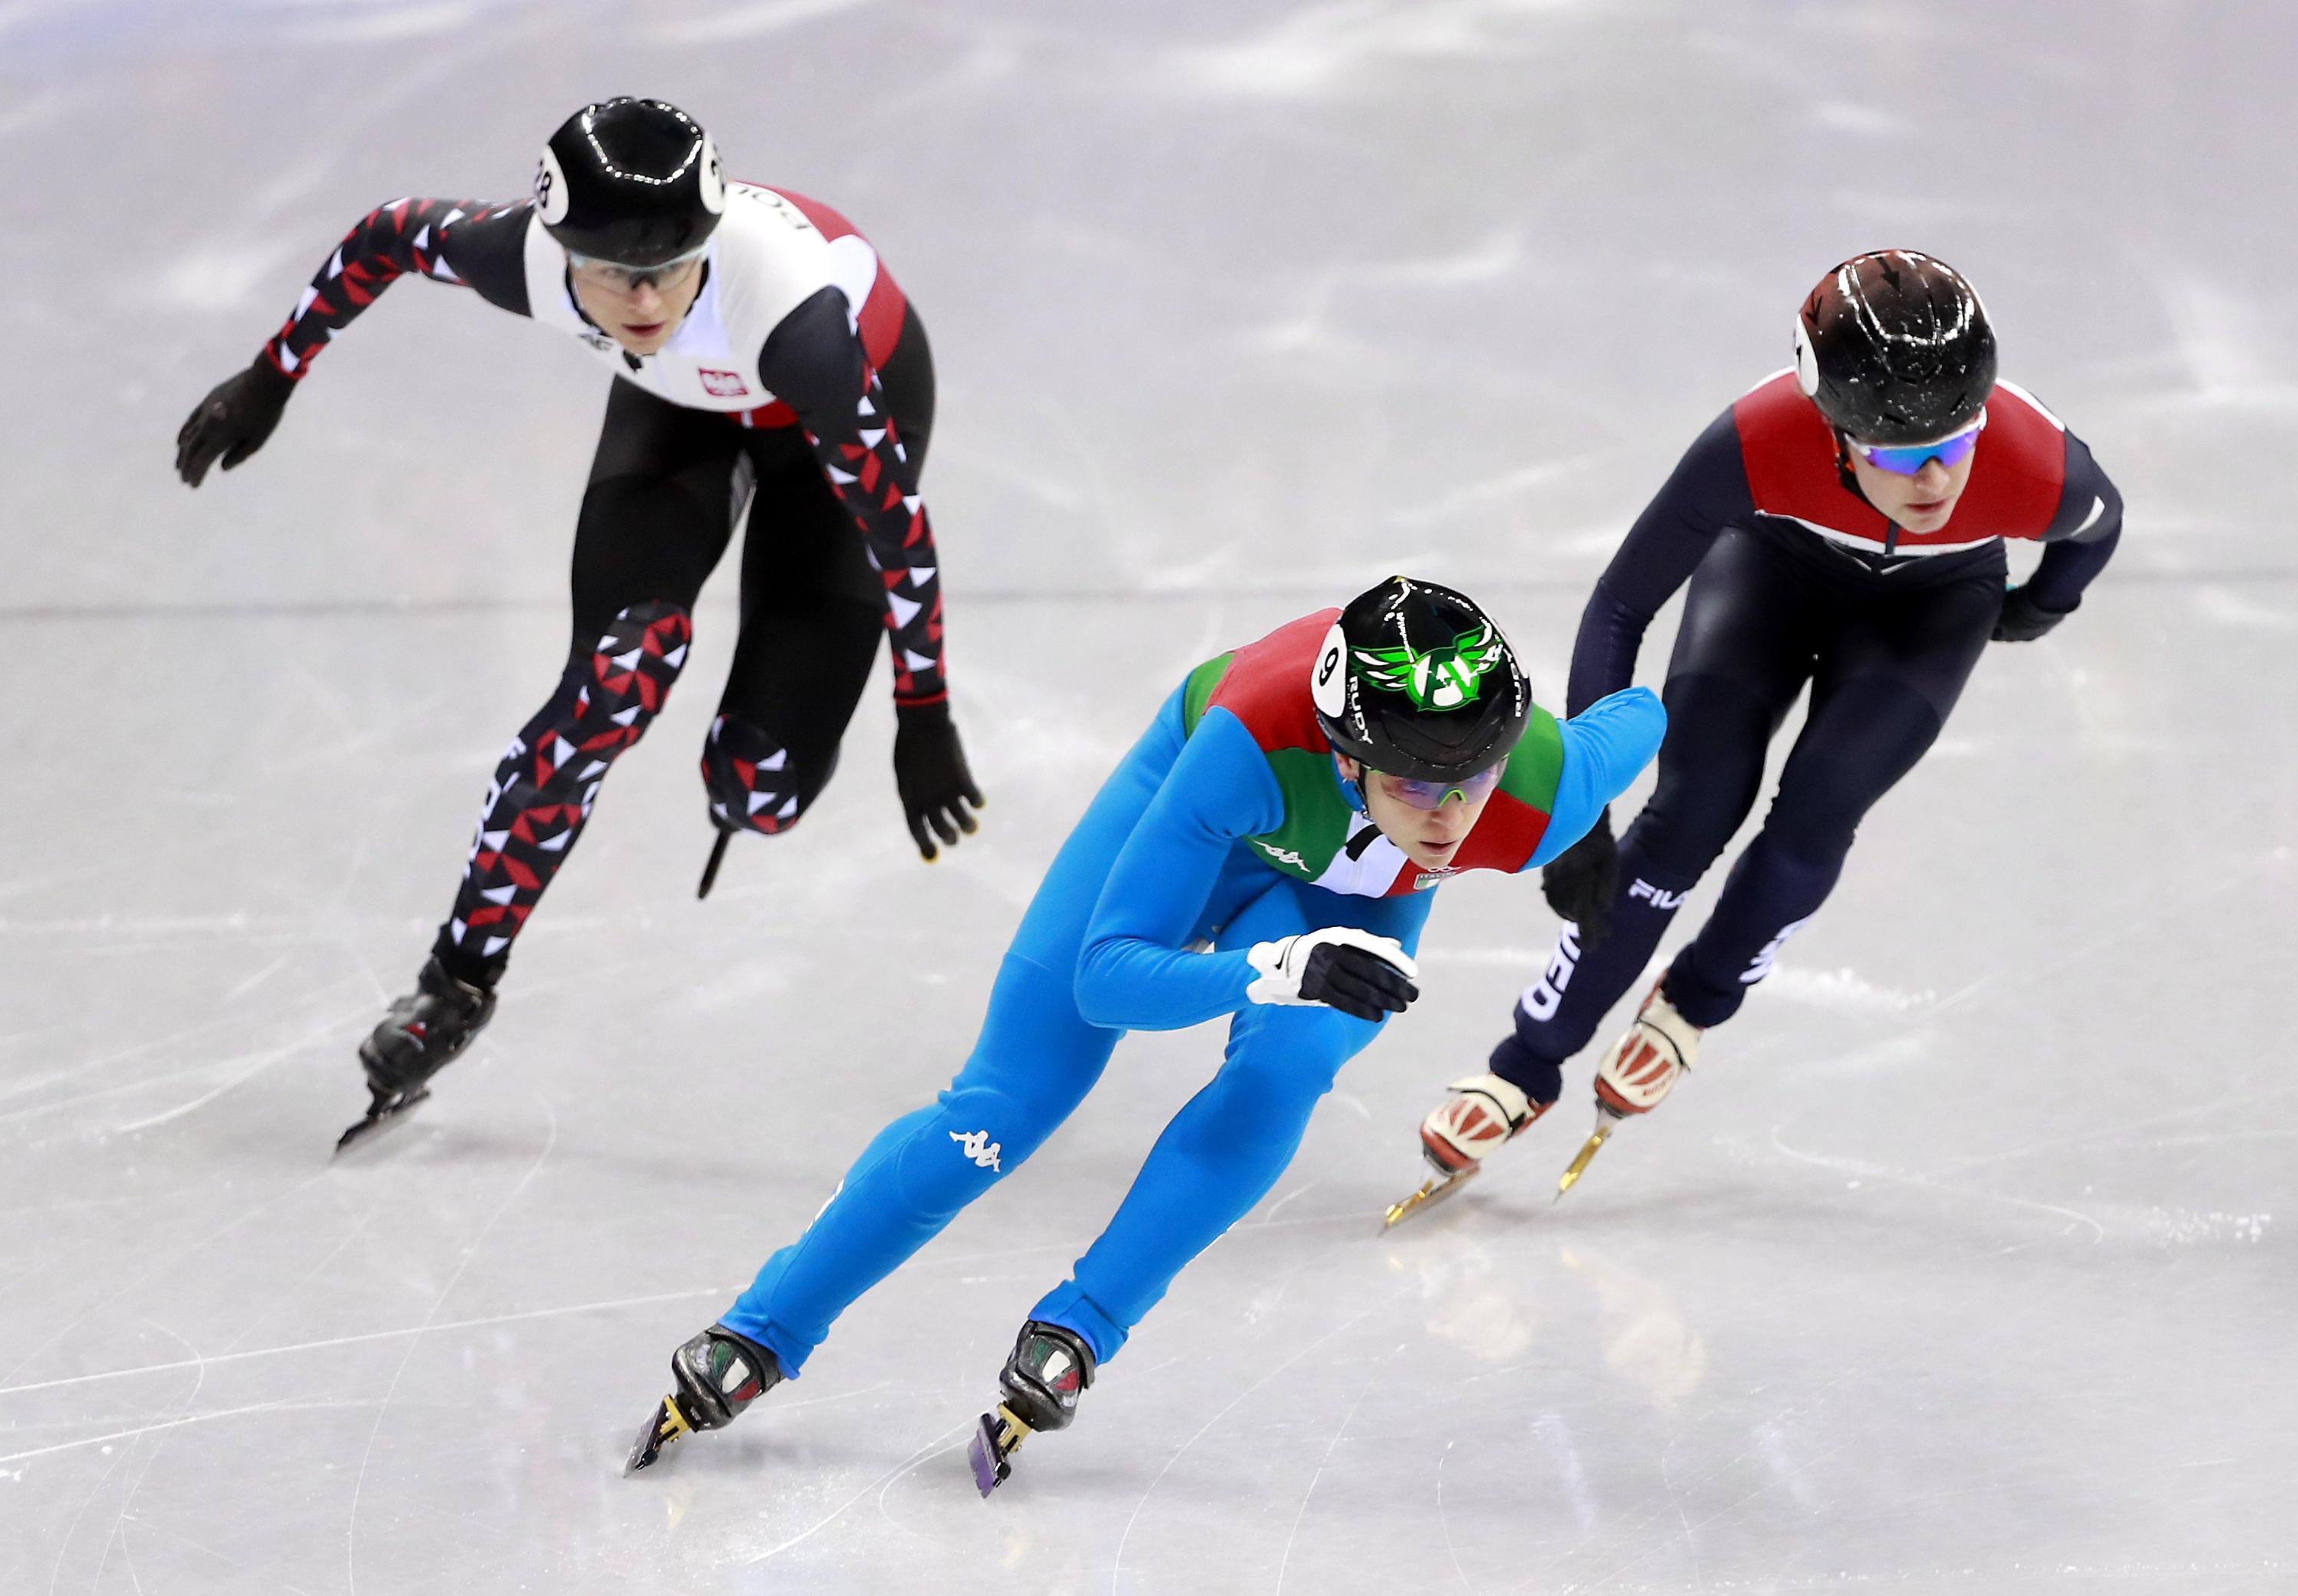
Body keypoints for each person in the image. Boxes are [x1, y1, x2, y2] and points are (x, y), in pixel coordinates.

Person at [621, 576, 1665, 1490]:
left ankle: (1082, 1324)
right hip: (1203, 832)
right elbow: (1105, 980)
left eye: (1469, 782)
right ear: (1348, 758)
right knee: (1000, 1111)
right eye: (1412, 785)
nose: (1448, 817)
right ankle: (759, 1329)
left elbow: (1646, 712)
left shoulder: (1539, 788)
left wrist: (1592, 829)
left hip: (1342, 894)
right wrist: (1268, 964)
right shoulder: (1247, 740)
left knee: (1284, 1068)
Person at [173, 99, 983, 1142]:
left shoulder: (799, 325)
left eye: (667, 269)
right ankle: (455, 981)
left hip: (825, 423)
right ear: (556, 250)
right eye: (608, 273)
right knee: (615, 676)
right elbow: (385, 235)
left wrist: (921, 714)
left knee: (759, 788)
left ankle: (757, 760)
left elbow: (897, 537)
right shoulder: (517, 258)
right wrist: (270, 376)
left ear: (708, 240)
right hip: (681, 416)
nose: (640, 300)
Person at [1412, 250, 2124, 1194]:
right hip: (1772, 571)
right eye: (1903, 456)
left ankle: (1695, 1000)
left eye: (1956, 442)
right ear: (1830, 430)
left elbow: (2098, 527)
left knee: (1818, 808)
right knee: (1687, 812)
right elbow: (1620, 608)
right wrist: (1579, 805)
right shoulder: (1753, 442)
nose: (1936, 480)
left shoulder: (2032, 464)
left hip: (1935, 604)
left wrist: (2042, 605)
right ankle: (1524, 1062)